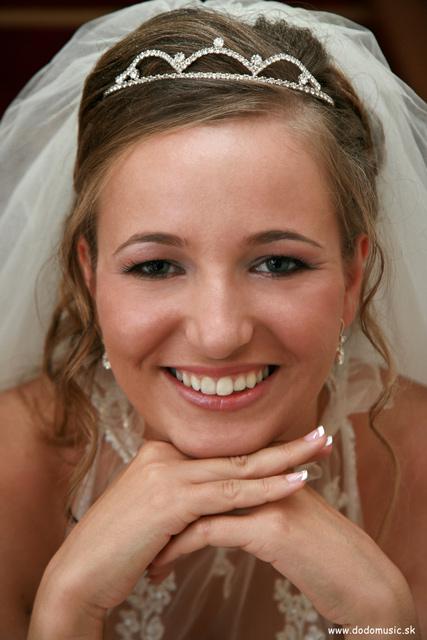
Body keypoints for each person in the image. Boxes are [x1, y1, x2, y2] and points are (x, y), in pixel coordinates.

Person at [0, 0, 426, 638]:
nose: (220, 334)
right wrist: (67, 607)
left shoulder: (419, 464)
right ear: (89, 277)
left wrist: (381, 619)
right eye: (155, 266)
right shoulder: (11, 470)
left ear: (351, 278)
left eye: (278, 263)